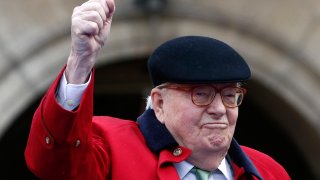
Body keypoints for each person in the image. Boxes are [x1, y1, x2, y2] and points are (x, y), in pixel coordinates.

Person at [24, 0, 290, 179]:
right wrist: (80, 61)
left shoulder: (269, 172)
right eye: (201, 95)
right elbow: (55, 163)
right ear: (159, 103)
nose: (220, 109)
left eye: (230, 96)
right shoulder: (111, 147)